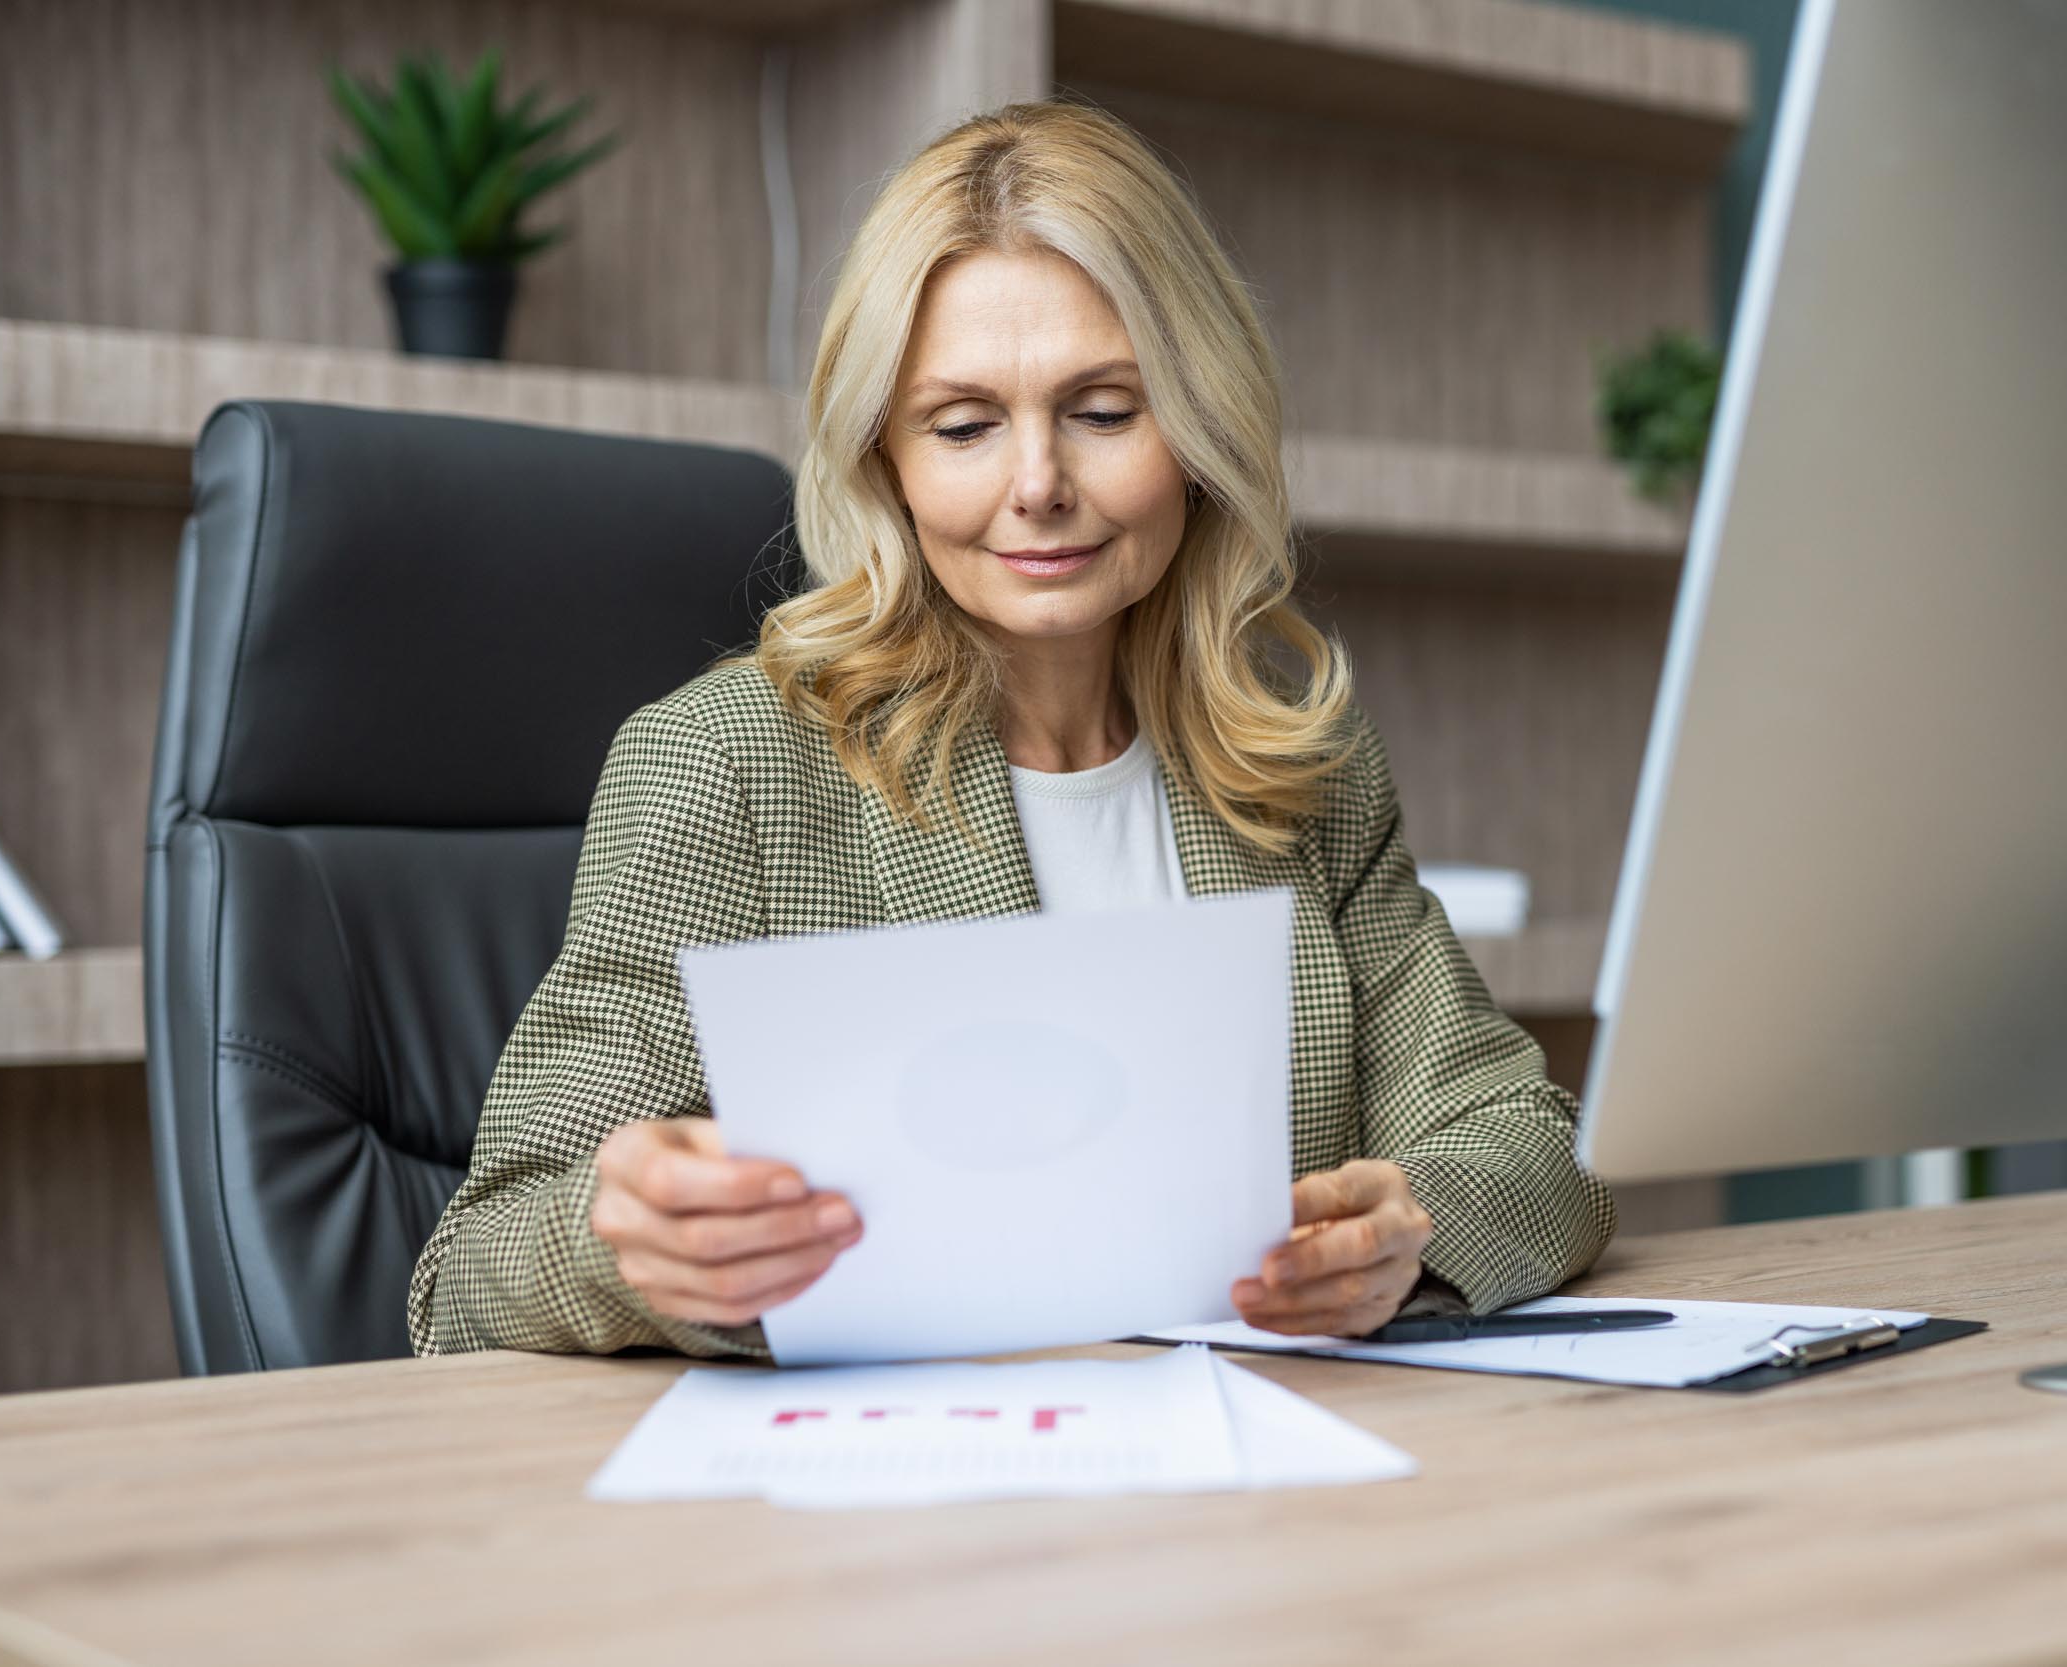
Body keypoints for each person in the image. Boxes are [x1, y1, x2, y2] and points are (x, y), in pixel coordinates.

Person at [407, 99, 1616, 1362]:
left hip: (1258, 1488)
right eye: (964, 425)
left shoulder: (1292, 760)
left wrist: (1409, 1229)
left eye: (1102, 410)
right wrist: (650, 1255)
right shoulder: (726, 771)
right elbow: (477, 1265)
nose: (1036, 483)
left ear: (1197, 432)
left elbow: (1524, 1143)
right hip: (901, 1519)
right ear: (887, 458)